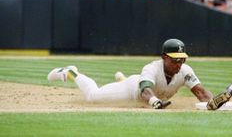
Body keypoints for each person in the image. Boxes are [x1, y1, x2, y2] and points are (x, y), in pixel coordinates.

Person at [48, 38, 213, 109]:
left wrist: (214, 103)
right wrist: (155, 101)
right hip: (132, 90)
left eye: (181, 59)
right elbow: (145, 91)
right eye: (175, 60)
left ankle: (122, 79)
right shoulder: (152, 68)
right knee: (93, 96)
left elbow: (200, 92)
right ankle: (72, 72)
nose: (179, 64)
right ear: (164, 57)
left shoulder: (185, 70)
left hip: (148, 95)